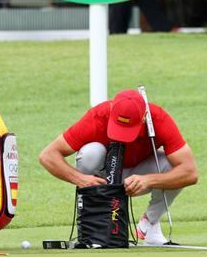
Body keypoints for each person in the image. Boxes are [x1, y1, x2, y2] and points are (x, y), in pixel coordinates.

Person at [38, 89, 198, 245]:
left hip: (138, 174)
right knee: (90, 153)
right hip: (101, 176)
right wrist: (81, 179)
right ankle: (95, 225)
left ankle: (149, 224)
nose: (122, 135)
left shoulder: (159, 119)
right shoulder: (98, 116)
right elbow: (47, 155)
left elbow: (190, 173)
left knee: (173, 165)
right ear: (112, 111)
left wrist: (149, 180)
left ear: (144, 118)